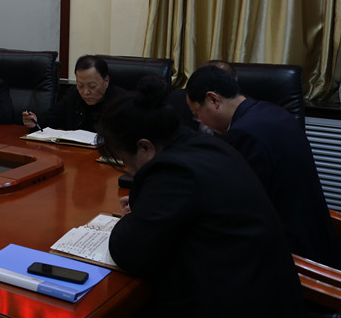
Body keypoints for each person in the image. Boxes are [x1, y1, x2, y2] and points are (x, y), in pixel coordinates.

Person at [97, 78, 303, 318]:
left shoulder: (174, 172)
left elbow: (128, 252)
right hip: (264, 288)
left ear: (145, 147)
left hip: (239, 302)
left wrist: (132, 217)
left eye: (125, 160)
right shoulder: (202, 144)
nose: (128, 169)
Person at [186, 65, 341, 268]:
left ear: (213, 100)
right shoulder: (271, 111)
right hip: (317, 238)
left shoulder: (243, 134)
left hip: (293, 256)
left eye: (197, 114)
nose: (202, 123)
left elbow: (239, 207)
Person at [23, 55, 122, 132]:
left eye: (92, 86)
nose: (86, 92)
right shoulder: (73, 94)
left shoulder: (121, 102)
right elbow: (53, 117)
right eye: (80, 85)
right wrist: (36, 122)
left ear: (106, 81)